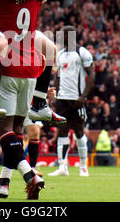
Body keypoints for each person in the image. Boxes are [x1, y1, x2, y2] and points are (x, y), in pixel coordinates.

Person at [0, 0, 48, 200]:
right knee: (17, 131)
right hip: (31, 69)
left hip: (8, 68)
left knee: (3, 130)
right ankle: (3, 184)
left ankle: (30, 175)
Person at [48, 25, 95, 177]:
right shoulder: (60, 54)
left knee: (79, 130)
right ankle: (62, 166)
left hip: (77, 99)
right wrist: (54, 97)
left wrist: (84, 96)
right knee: (62, 130)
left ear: (71, 35)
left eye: (63, 35)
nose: (61, 37)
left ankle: (83, 167)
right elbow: (57, 77)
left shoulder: (82, 52)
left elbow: (92, 75)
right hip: (62, 99)